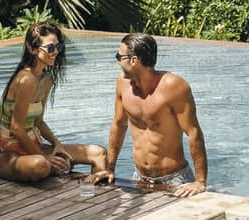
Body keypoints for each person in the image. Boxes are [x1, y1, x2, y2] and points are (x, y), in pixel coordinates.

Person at [89, 33, 208, 197]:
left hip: (175, 179)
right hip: (139, 177)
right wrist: (109, 168)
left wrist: (200, 181)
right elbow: (118, 124)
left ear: (133, 60)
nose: (117, 61)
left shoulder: (173, 86)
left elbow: (193, 132)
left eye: (119, 56)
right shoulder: (122, 84)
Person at [0, 23, 110, 184]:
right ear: (33, 49)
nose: (55, 52)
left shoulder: (45, 79)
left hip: (37, 148)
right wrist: (45, 157)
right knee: (40, 164)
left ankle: (97, 197)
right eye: (50, 48)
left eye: (58, 47)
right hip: (13, 156)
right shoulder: (26, 79)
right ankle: (54, 167)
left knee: (98, 153)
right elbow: (16, 128)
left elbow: (39, 122)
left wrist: (57, 144)